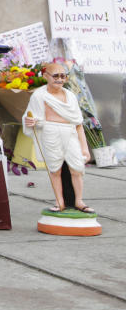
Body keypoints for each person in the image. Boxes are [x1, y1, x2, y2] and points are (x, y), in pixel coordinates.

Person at [23, 62, 94, 213]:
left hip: (70, 133)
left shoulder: (70, 96)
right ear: (45, 76)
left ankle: (79, 200)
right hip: (50, 133)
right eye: (56, 76)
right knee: (55, 170)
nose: (60, 79)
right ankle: (59, 202)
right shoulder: (39, 96)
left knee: (77, 168)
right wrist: (30, 121)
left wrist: (84, 148)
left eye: (63, 76)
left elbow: (78, 124)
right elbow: (31, 118)